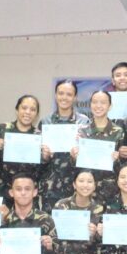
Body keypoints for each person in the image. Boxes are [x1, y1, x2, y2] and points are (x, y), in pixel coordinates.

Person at [39, 80, 89, 210]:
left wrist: (80, 151)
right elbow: (39, 158)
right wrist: (44, 156)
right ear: (55, 95)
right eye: (61, 93)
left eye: (69, 94)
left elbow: (88, 156)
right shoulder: (45, 121)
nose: (64, 97)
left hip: (76, 185)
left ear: (75, 97)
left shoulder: (84, 122)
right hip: (51, 184)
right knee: (51, 226)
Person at [0, 94, 49, 200]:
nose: (28, 112)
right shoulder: (2, 129)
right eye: (24, 108)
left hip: (27, 192)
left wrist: (46, 159)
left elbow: (42, 171)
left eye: (33, 109)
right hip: (1, 189)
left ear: (37, 114)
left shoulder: (40, 136)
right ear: (17, 110)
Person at [72, 90, 123, 203]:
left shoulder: (119, 131)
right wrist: (74, 157)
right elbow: (76, 167)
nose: (98, 106)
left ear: (110, 106)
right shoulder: (81, 131)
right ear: (90, 105)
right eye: (95, 102)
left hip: (110, 191)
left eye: (103, 102)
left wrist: (117, 159)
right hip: (86, 191)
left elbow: (124, 165)